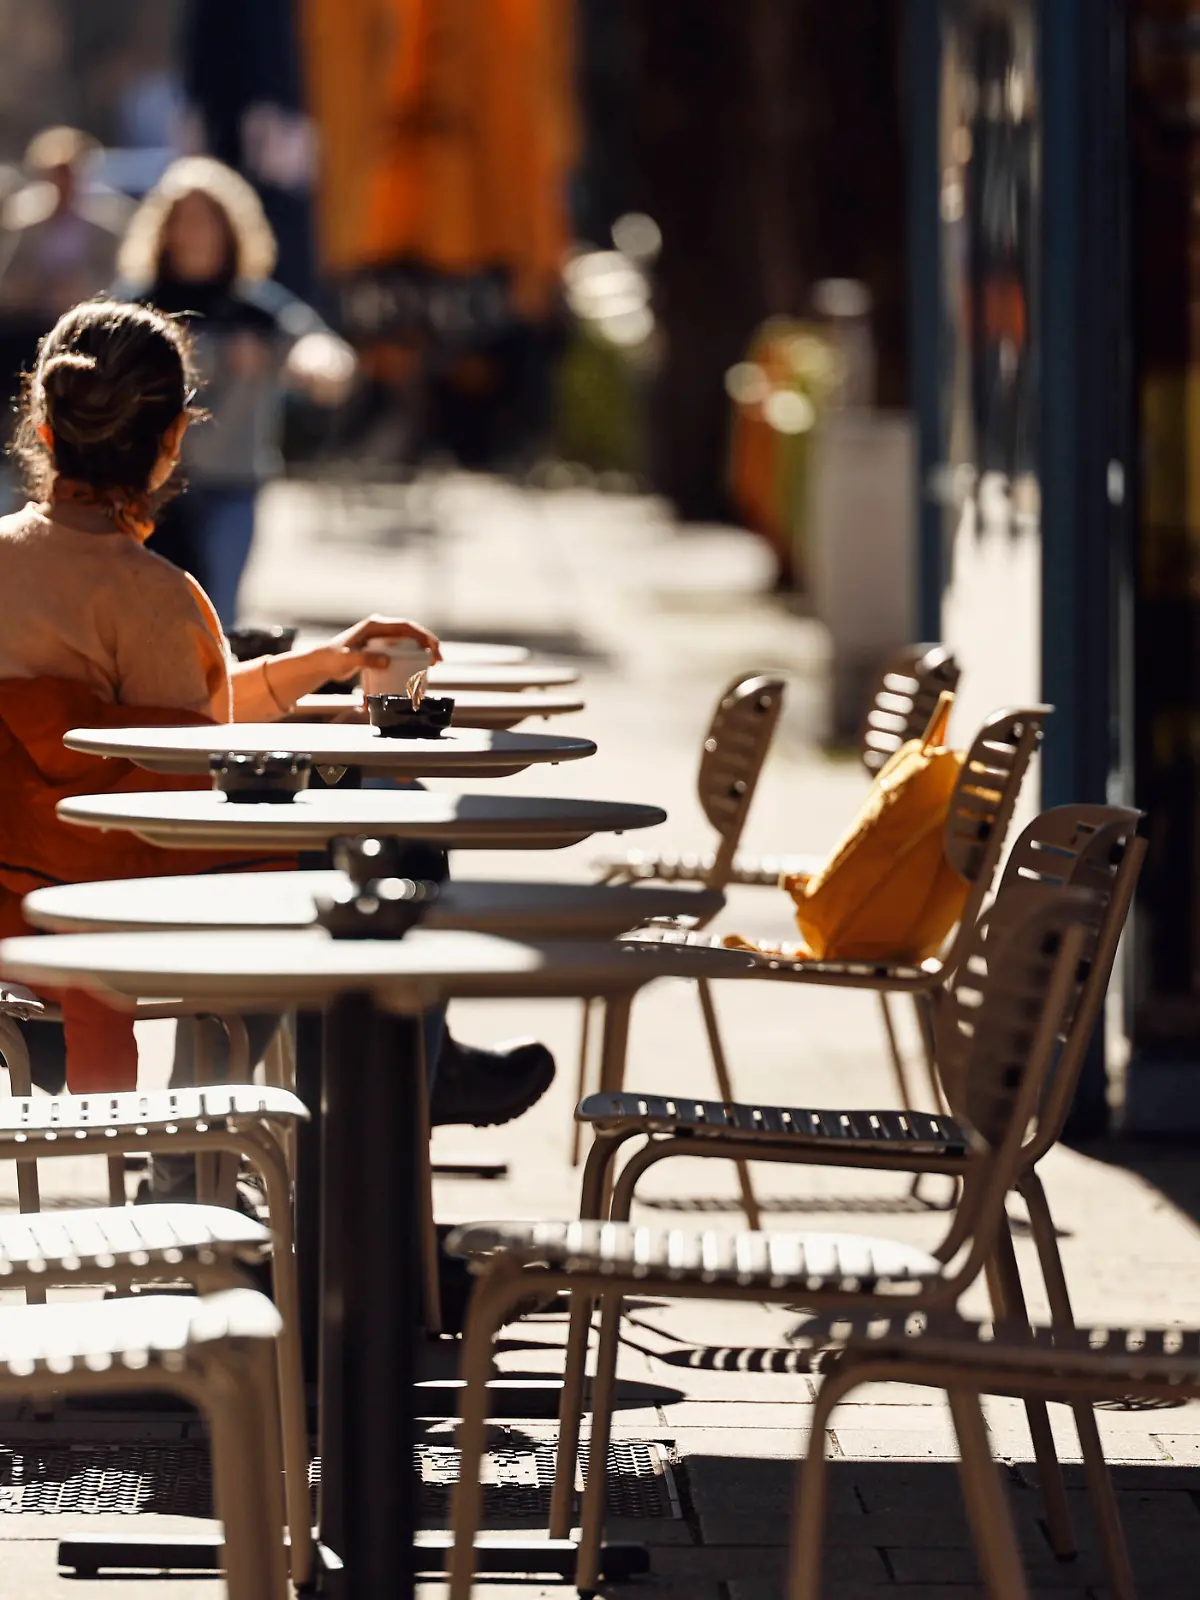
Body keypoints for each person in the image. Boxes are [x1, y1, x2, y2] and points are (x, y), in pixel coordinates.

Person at [0, 299, 555, 1182]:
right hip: (138, 900)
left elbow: (186, 728)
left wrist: (323, 665)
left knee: (342, 841)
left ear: (42, 420)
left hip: (24, 897)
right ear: (175, 437)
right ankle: (396, 1114)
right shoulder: (153, 596)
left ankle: (230, 1168)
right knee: (384, 834)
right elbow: (205, 763)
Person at [113, 155, 354, 627]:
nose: (196, 233)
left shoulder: (255, 306)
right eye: (185, 220)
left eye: (207, 221)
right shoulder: (138, 302)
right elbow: (111, 363)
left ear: (229, 230)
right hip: (150, 489)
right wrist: (222, 357)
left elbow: (315, 345)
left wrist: (320, 363)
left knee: (216, 614)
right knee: (143, 615)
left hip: (231, 484)